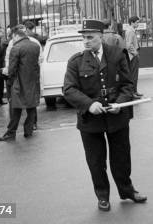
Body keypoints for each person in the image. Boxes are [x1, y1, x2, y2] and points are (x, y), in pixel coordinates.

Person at [62, 19, 146, 212]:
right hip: (90, 120)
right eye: (83, 37)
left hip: (117, 117)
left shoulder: (117, 54)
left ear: (101, 36)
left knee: (122, 157)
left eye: (90, 37)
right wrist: (89, 104)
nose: (86, 41)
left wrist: (120, 103)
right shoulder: (76, 61)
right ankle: (102, 196)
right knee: (96, 161)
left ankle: (127, 191)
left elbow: (128, 84)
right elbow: (69, 89)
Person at [0, 25, 40, 141]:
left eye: (13, 37)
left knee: (16, 108)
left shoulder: (16, 48)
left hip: (19, 82)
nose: (12, 40)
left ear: (16, 35)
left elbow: (12, 69)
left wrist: (10, 81)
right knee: (31, 106)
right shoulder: (35, 46)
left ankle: (11, 133)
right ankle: (28, 131)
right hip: (32, 81)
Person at [124, 16, 143, 98]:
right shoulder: (130, 31)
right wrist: (135, 53)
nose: (138, 24)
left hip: (133, 55)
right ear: (132, 22)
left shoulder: (131, 30)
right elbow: (128, 45)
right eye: (137, 22)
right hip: (132, 56)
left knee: (135, 74)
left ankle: (135, 91)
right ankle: (132, 93)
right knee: (133, 75)